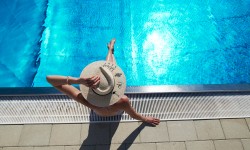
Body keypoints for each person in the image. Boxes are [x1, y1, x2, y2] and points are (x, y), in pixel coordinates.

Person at [46, 38, 160, 126]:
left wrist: (77, 80)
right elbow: (133, 114)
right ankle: (110, 51)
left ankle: (110, 51)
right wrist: (145, 119)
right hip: (117, 112)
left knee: (108, 70)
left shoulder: (87, 100)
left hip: (98, 112)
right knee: (111, 69)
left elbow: (50, 79)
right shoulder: (123, 101)